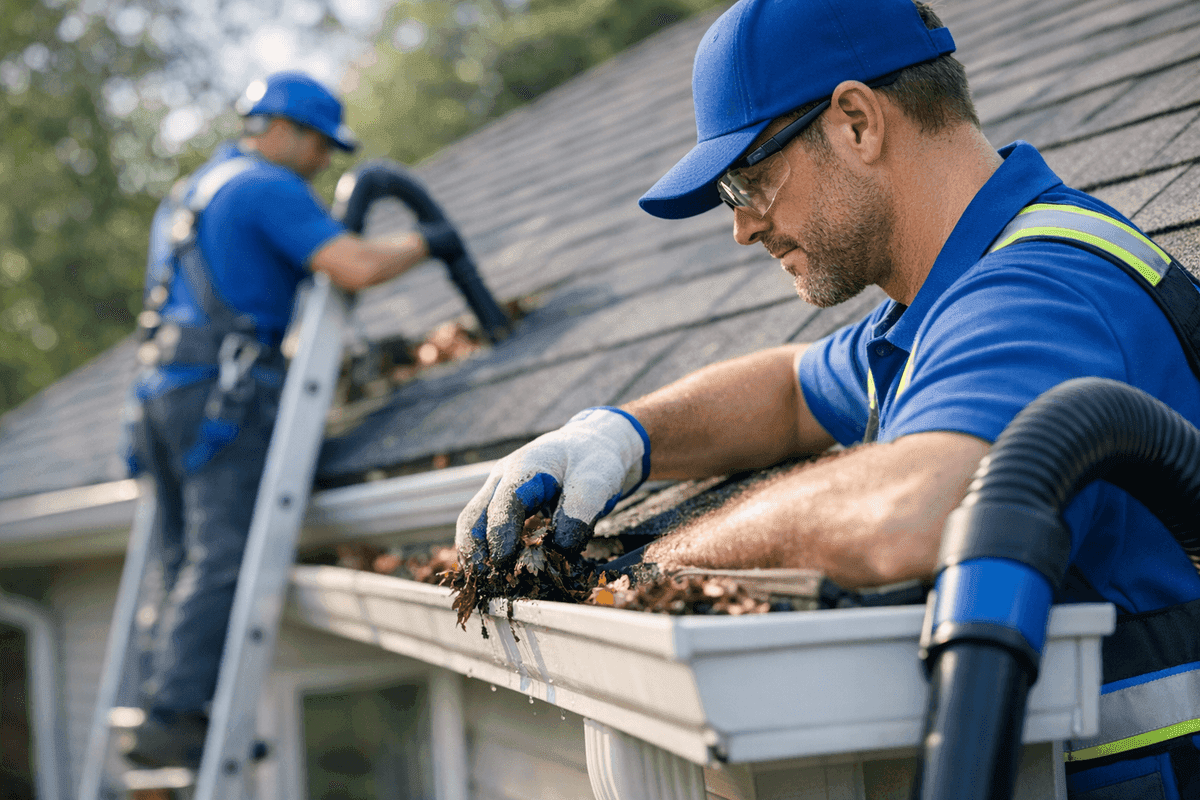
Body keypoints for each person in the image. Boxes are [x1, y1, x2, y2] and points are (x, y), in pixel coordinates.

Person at [455, 0, 1200, 796]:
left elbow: (916, 508)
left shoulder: (1035, 292)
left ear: (856, 122)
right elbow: (788, 387)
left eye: (747, 180)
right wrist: (618, 435)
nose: (741, 228)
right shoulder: (937, 311)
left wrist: (665, 565)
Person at [123, 71, 456, 770]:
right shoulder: (266, 188)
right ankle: (177, 714)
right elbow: (355, 265)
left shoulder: (191, 191)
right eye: (318, 145)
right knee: (222, 555)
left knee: (183, 559)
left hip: (164, 392)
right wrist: (430, 241)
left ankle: (164, 707)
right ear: (284, 129)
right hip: (225, 393)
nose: (324, 162)